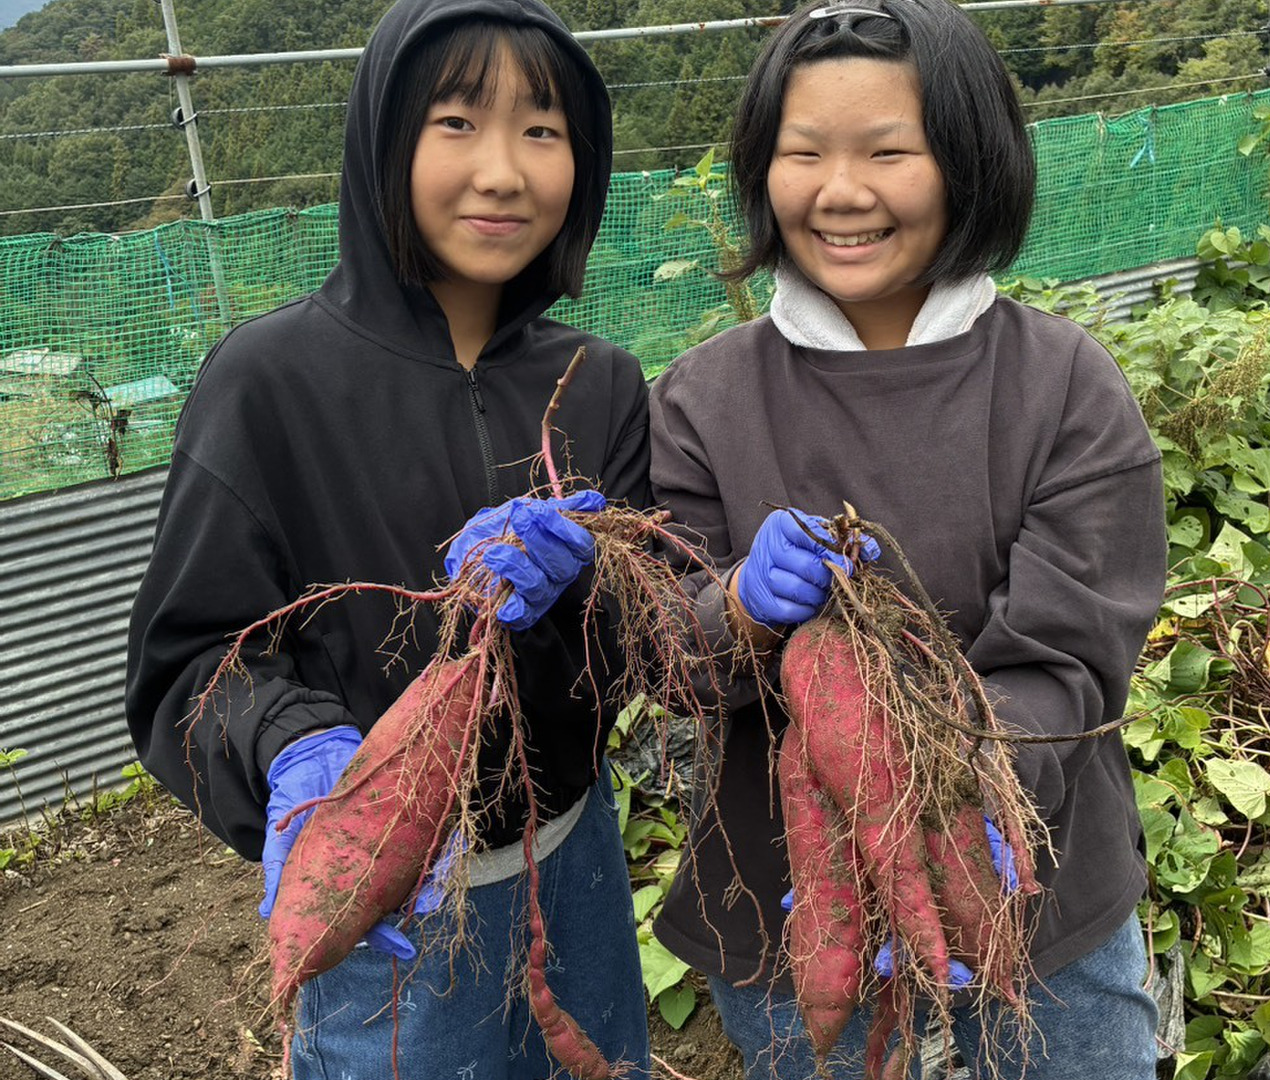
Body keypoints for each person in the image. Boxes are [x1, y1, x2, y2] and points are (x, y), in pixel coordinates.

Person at [125, 0, 651, 1076]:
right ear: (383, 142)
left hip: (577, 861)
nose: (503, 172)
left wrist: (598, 589)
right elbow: (190, 662)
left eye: (542, 130)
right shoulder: (268, 385)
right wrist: (293, 745)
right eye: (457, 122)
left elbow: (636, 642)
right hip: (384, 899)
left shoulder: (598, 381)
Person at [648, 2, 1167, 1078]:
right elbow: (661, 644)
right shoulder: (703, 399)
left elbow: (1070, 653)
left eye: (890, 152)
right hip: (793, 903)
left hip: (1030, 874)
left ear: (970, 165)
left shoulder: (1062, 384)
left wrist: (959, 800)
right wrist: (736, 606)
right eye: (804, 154)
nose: (841, 192)